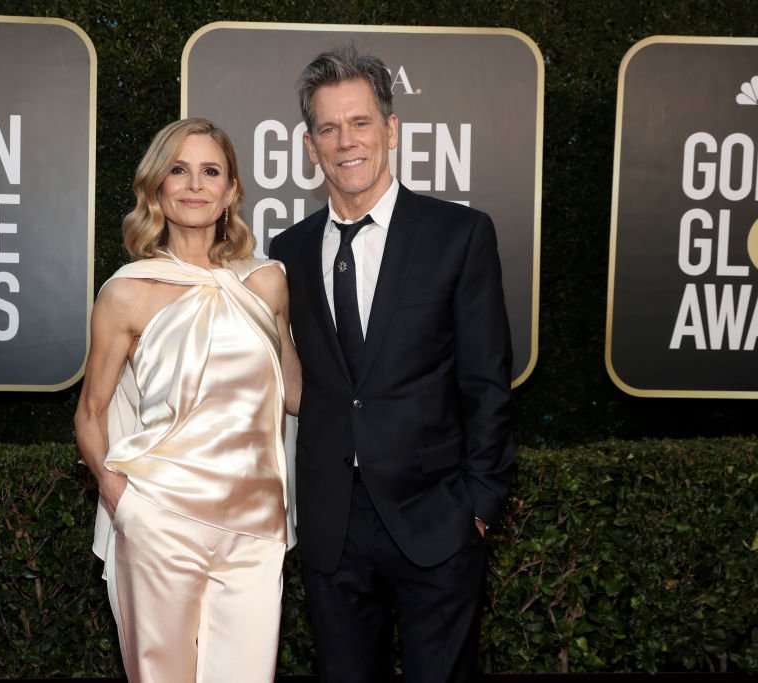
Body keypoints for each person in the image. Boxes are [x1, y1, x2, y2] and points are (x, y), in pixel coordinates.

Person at [268, 46, 515, 683]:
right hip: (332, 528)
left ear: (391, 129)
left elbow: (487, 381)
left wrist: (478, 505)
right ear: (309, 144)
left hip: (438, 520)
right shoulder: (286, 252)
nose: (345, 141)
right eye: (328, 127)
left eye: (359, 123)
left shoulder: (458, 235)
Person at [75, 117, 301, 683]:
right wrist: (122, 501)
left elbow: (295, 394)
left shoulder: (267, 282)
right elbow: (91, 413)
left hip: (255, 527)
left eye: (210, 171)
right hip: (161, 518)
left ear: (230, 192)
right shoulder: (127, 292)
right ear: (158, 187)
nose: (194, 184)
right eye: (179, 169)